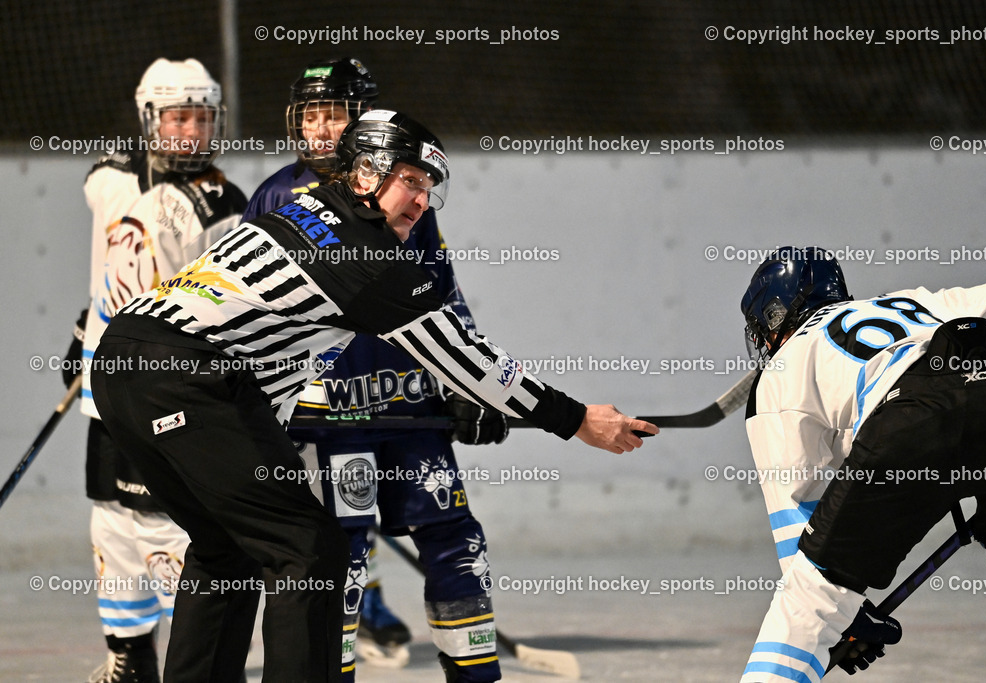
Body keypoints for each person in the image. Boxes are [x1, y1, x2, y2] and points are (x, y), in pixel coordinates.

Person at [89, 109, 657, 683]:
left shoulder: (302, 213)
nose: (421, 201)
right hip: (185, 377)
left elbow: (258, 351)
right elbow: (464, 358)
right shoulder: (366, 255)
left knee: (225, 550)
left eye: (429, 188)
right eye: (410, 180)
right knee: (309, 551)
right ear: (365, 172)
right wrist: (575, 418)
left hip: (123, 363)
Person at [245, 58, 511, 682]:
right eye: (311, 116)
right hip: (329, 418)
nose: (320, 129)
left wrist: (470, 382)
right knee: (344, 555)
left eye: (335, 115)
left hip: (410, 405)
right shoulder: (277, 196)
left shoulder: (404, 190)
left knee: (455, 540)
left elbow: (440, 294)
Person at [737, 245, 986, 682]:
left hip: (912, 421)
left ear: (775, 316)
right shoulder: (914, 302)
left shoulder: (779, 371)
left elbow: (796, 520)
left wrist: (844, 619)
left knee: (809, 601)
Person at [67, 58, 247, 683]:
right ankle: (130, 654)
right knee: (111, 520)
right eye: (178, 117)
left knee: (171, 528)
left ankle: (192, 665)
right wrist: (83, 327)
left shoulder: (224, 205)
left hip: (171, 396)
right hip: (106, 390)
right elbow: (112, 254)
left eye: (202, 117)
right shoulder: (113, 178)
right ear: (149, 120)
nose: (192, 131)